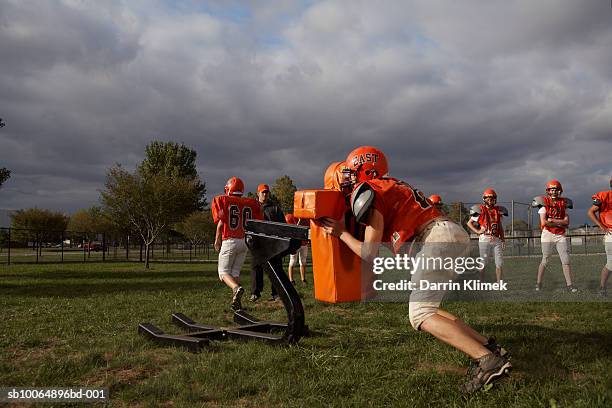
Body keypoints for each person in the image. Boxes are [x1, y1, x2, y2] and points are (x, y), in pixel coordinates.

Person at [320, 146, 511, 393]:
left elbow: (369, 251)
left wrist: (342, 233)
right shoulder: (391, 184)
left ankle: (487, 360)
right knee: (431, 309)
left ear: (366, 170)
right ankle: (490, 347)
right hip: (448, 234)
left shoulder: (370, 189)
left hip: (436, 238)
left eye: (353, 172)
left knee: (420, 314)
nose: (350, 179)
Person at [212, 177, 262, 311]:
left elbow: (221, 222)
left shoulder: (224, 200)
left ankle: (236, 288)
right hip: (244, 241)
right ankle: (237, 303)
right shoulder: (250, 203)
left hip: (230, 240)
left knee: (223, 272)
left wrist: (217, 239)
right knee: (234, 273)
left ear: (228, 189)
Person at [532, 180, 576, 292]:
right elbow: (544, 223)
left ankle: (570, 285)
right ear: (548, 191)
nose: (554, 191)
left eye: (556, 189)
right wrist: (560, 222)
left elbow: (567, 222)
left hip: (560, 235)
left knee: (565, 260)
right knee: (546, 259)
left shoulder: (563, 203)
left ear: (560, 190)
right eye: (552, 189)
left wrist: (553, 220)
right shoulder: (543, 203)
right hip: (548, 234)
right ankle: (538, 283)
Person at [249, 183, 287, 302]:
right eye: (263, 192)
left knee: (276, 267)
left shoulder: (275, 208)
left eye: (266, 192)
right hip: (257, 242)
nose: (265, 194)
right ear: (258, 193)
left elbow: (283, 225)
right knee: (256, 267)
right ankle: (255, 293)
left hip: (273, 243)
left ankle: (276, 293)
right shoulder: (253, 207)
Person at [467, 189, 507, 283]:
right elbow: (469, 223)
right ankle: (481, 283)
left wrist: (503, 239)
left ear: (495, 199)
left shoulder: (498, 210)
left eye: (492, 198)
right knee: (483, 263)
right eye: (488, 198)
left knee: (499, 263)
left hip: (496, 239)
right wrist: (478, 231)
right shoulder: (480, 210)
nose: (490, 200)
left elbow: (500, 226)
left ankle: (499, 283)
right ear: (484, 199)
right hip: (484, 238)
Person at [587, 178, 612, 296]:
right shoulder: (604, 196)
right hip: (611, 232)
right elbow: (591, 212)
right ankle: (602, 288)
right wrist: (601, 225)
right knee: (611, 263)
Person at [286, 213, 309, 285]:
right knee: (292, 261)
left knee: (303, 261)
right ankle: (291, 280)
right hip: (295, 244)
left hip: (304, 243)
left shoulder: (306, 219)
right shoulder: (290, 217)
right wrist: (299, 221)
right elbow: (295, 231)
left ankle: (303, 279)